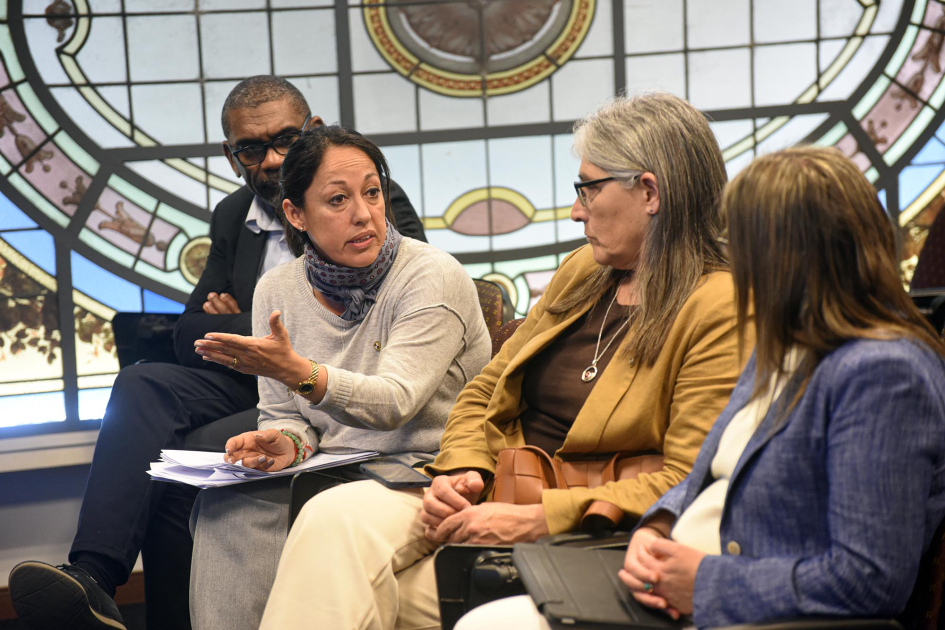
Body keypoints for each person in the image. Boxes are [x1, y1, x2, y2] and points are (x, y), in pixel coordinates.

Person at [257, 91, 751, 630]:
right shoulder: (585, 269)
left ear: (649, 192)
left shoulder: (718, 305)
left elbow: (687, 479)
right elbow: (483, 391)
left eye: (587, 187)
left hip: (583, 527)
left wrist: (532, 520)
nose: (576, 209)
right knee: (331, 517)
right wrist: (465, 469)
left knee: (378, 593)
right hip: (494, 487)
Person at [458, 147, 945, 630]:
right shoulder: (787, 343)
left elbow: (871, 580)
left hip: (760, 614)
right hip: (676, 582)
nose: (734, 264)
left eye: (744, 244)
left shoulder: (884, 375)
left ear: (797, 255)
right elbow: (700, 476)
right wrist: (658, 525)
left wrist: (706, 581)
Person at [7, 76, 425, 630]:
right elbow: (189, 333)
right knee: (141, 383)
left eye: (287, 140)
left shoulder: (372, 199)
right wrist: (256, 319)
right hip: (247, 377)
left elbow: (386, 311)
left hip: (332, 382)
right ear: (232, 157)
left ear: (315, 133)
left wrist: (246, 314)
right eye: (253, 149)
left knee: (195, 454)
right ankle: (93, 581)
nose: (273, 160)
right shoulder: (234, 215)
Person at [187, 125, 491, 630]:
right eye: (337, 200)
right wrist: (283, 443)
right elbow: (288, 415)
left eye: (372, 193)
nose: (364, 213)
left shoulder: (430, 275)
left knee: (328, 517)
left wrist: (300, 372)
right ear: (295, 214)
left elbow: (395, 402)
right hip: (330, 466)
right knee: (225, 504)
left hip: (425, 471)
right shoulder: (276, 289)